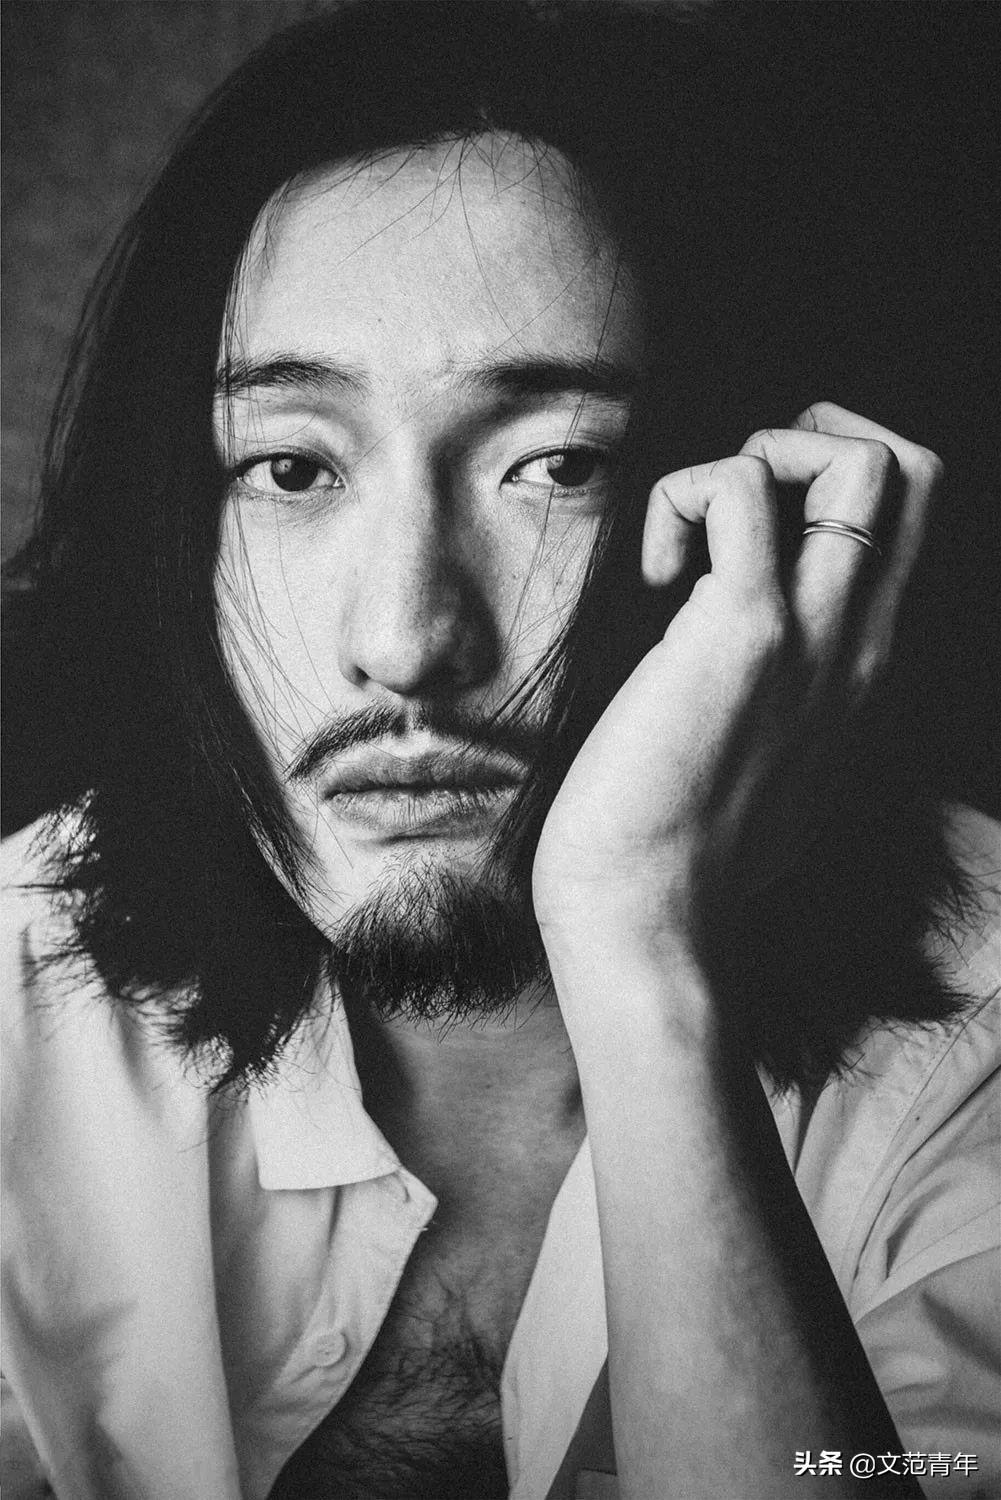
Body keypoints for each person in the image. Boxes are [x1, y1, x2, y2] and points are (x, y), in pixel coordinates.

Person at [2, 4, 997, 1498]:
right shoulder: (18, 1019)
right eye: (289, 466)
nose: (408, 640)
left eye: (559, 465)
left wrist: (636, 940)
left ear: (755, 511)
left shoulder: (980, 1051)